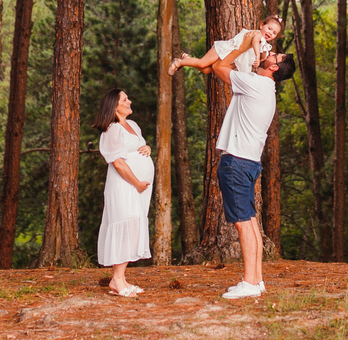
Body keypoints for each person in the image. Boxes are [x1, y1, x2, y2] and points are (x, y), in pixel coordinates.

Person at [208, 45, 296, 299]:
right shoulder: (263, 86)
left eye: (274, 55)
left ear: (274, 67)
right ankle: (256, 281)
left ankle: (249, 282)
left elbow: (218, 67)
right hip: (247, 162)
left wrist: (243, 45)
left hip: (237, 162)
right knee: (251, 222)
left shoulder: (256, 84)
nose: (269, 53)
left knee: (243, 224)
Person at [93, 88, 154, 297]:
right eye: (125, 99)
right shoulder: (112, 129)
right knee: (126, 223)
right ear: (114, 106)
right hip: (123, 185)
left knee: (134, 225)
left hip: (138, 187)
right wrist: (137, 182)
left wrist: (148, 148)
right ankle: (117, 280)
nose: (129, 102)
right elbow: (118, 163)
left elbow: (138, 147)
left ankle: (121, 279)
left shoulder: (133, 126)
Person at [168, 16, 282, 76]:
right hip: (225, 50)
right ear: (262, 25)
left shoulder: (265, 46)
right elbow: (255, 42)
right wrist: (257, 56)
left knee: (207, 70)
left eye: (274, 33)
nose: (270, 33)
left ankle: (188, 60)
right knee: (202, 63)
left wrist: (262, 58)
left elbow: (263, 56)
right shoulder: (256, 34)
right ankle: (178, 62)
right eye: (269, 28)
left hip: (231, 59)